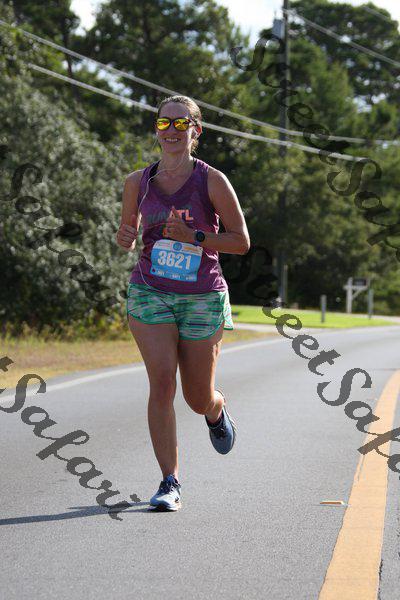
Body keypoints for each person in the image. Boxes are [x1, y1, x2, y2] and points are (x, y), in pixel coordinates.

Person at [116, 95, 250, 511]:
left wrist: (195, 237)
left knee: (196, 397)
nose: (172, 130)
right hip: (150, 290)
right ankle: (169, 481)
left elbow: (241, 242)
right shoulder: (138, 182)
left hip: (202, 296)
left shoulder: (212, 181)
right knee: (161, 382)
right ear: (156, 129)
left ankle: (215, 408)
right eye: (164, 123)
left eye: (181, 123)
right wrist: (124, 237)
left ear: (196, 131)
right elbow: (127, 232)